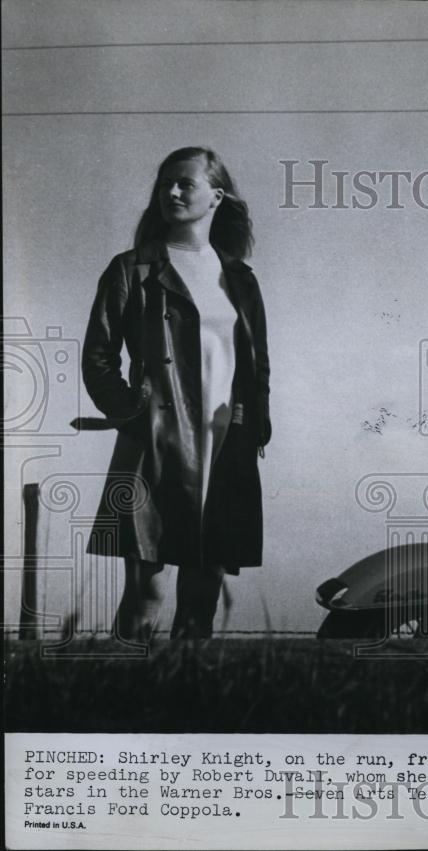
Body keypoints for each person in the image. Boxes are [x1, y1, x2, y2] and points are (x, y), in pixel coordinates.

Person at [82, 146, 271, 639]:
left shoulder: (241, 279)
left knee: (204, 588)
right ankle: (126, 683)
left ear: (216, 196)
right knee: (146, 589)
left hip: (225, 440)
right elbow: (99, 357)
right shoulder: (133, 269)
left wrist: (257, 426)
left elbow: (257, 366)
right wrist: (132, 412)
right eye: (165, 183)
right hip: (157, 439)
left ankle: (189, 684)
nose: (171, 192)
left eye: (185, 183)